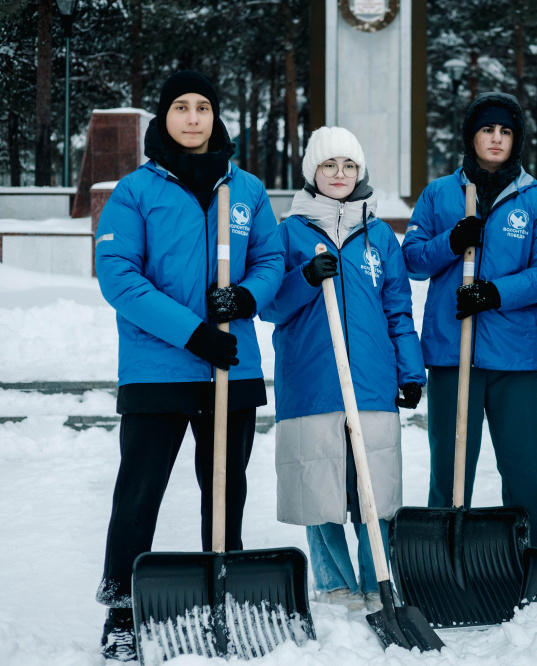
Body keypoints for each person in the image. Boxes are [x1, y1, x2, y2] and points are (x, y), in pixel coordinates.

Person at [93, 70, 284, 660]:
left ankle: (221, 594)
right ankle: (122, 608)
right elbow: (119, 276)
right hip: (158, 369)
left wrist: (249, 296)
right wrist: (193, 332)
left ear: (216, 117)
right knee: (139, 492)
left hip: (232, 368)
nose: (194, 117)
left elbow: (272, 256)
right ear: (164, 116)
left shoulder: (246, 189)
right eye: (181, 106)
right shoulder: (136, 191)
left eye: (203, 107)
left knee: (226, 491)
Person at [260, 126, 425, 611]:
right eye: (329, 165)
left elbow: (398, 309)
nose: (339, 174)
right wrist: (305, 279)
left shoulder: (379, 237)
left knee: (374, 485)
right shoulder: (288, 233)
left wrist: (409, 370)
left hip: (372, 382)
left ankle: (377, 580)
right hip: (313, 381)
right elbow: (268, 306)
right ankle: (335, 584)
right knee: (322, 487)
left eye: (349, 165)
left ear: (361, 172)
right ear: (312, 171)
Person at [401, 92, 537, 549]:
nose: (496, 139)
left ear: (517, 141)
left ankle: (532, 558)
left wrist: (495, 293)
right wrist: (451, 243)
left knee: (523, 469)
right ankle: (440, 560)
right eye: (488, 130)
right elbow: (411, 259)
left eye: (505, 131)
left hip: (514, 355)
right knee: (450, 469)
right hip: (454, 353)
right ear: (471, 136)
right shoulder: (439, 193)